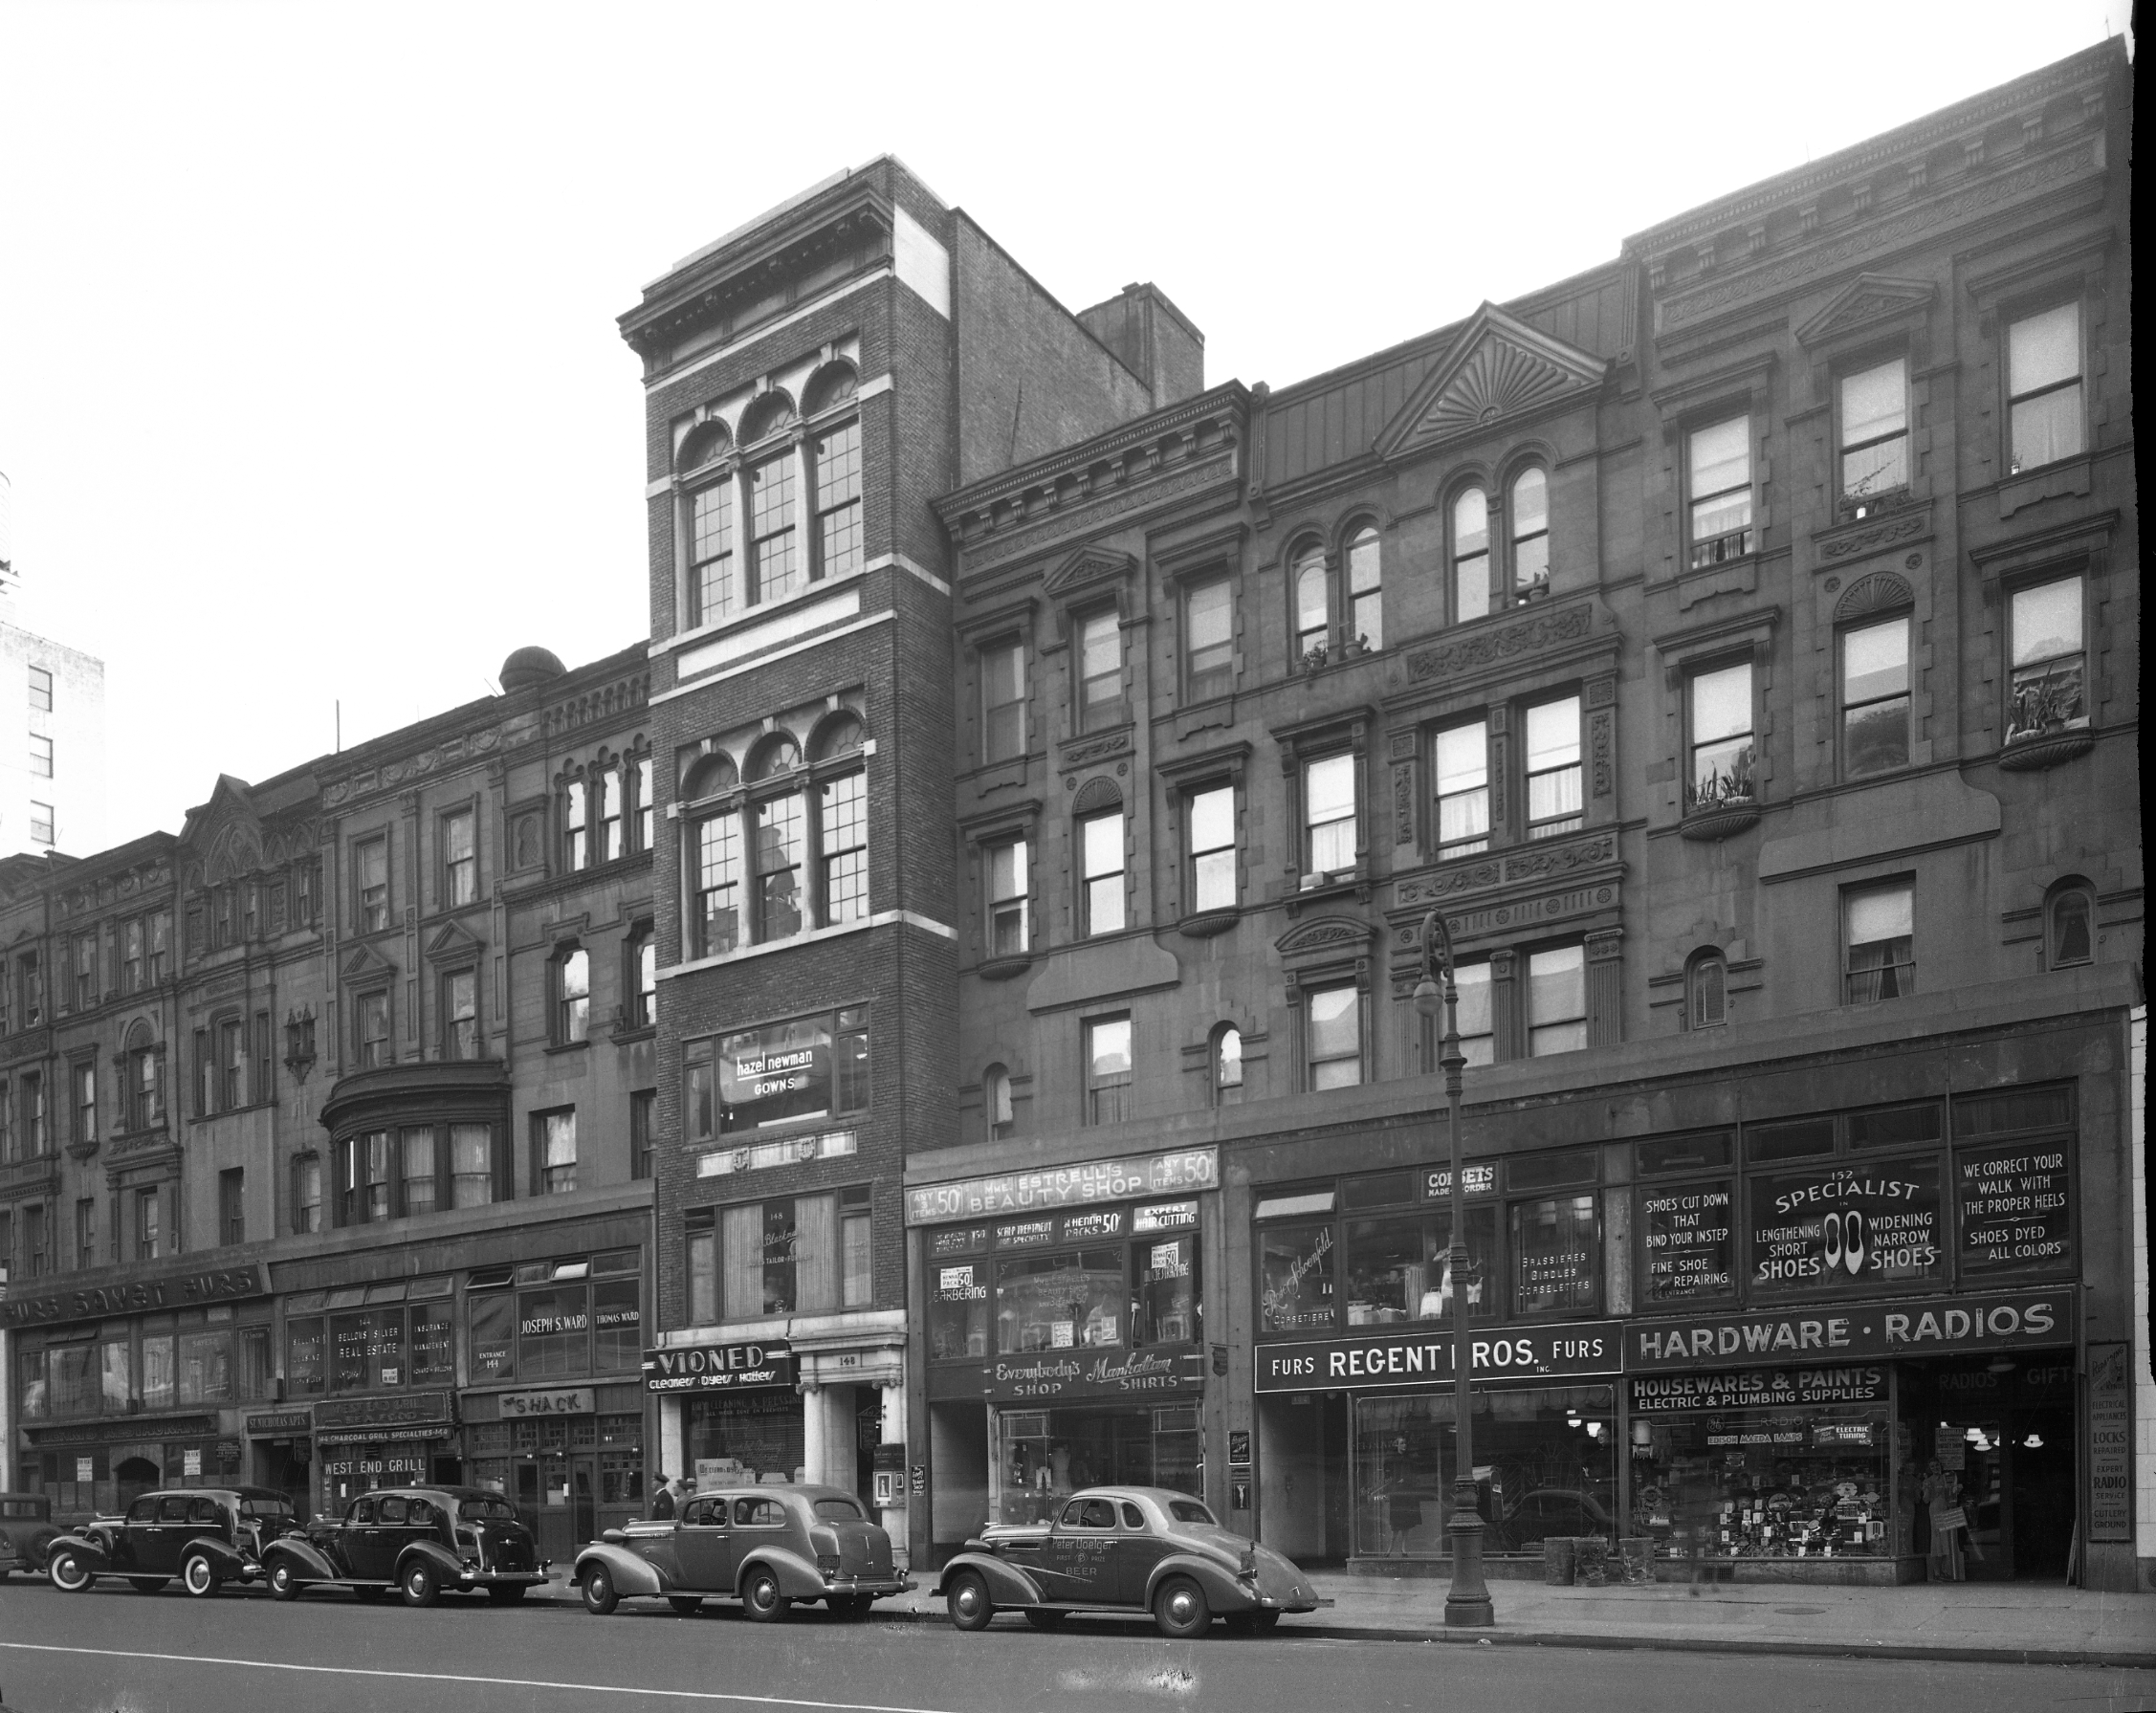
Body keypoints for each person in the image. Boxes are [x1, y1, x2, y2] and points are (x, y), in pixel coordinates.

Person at [1921, 1459, 1965, 1581]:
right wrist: (1928, 1489)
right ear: (1930, 1469)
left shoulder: (1948, 1478)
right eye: (1932, 1466)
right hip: (1935, 1509)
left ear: (1941, 1466)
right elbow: (1925, 1500)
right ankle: (1936, 1571)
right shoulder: (1928, 1481)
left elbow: (1953, 1493)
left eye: (1937, 1465)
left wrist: (1958, 1489)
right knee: (1937, 1540)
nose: (1935, 1468)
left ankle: (1945, 1570)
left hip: (1947, 1509)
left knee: (1947, 1539)